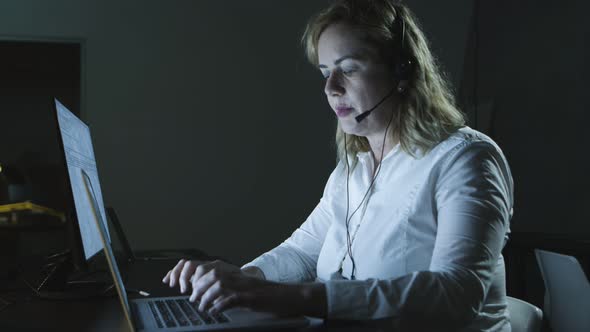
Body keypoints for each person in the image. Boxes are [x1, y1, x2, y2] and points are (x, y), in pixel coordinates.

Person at [162, 0, 513, 330]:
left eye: (348, 69)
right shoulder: (353, 169)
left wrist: (290, 298)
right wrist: (246, 277)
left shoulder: (466, 159)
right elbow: (302, 252)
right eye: (326, 72)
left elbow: (456, 294)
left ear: (402, 70)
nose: (331, 87)